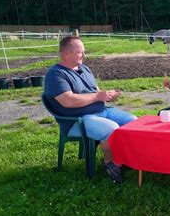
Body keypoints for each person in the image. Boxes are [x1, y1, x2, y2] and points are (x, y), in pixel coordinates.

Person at [44, 36, 137, 183]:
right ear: (67, 53)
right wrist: (97, 97)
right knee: (111, 128)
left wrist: (107, 96)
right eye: (80, 52)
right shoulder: (56, 74)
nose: (84, 55)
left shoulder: (84, 69)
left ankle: (123, 158)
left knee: (133, 122)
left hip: (101, 111)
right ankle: (110, 163)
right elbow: (68, 101)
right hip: (78, 119)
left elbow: (96, 91)